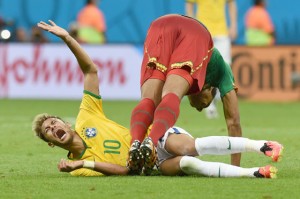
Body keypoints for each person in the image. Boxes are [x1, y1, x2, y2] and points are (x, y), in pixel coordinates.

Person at [32, 20, 283, 178]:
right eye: (48, 131)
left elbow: (91, 71)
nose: (54, 128)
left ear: (66, 123)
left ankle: (261, 145)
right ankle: (252, 173)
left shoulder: (87, 115)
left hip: (160, 134)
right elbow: (124, 171)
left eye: (54, 123)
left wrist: (67, 38)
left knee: (183, 145)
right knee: (188, 164)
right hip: (149, 167)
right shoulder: (77, 166)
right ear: (51, 143)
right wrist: (81, 166)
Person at [128, 14, 242, 176]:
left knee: (150, 101)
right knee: (172, 94)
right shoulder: (222, 70)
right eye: (205, 104)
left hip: (159, 25)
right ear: (209, 89)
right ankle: (151, 143)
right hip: (195, 32)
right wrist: (235, 169)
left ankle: (136, 145)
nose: (199, 109)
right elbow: (233, 121)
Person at [186, 0, 238, 119]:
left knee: (226, 68)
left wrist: (234, 25)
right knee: (204, 69)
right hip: (203, 31)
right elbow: (189, 5)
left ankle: (218, 101)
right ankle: (209, 105)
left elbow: (231, 4)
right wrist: (192, 26)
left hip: (222, 33)